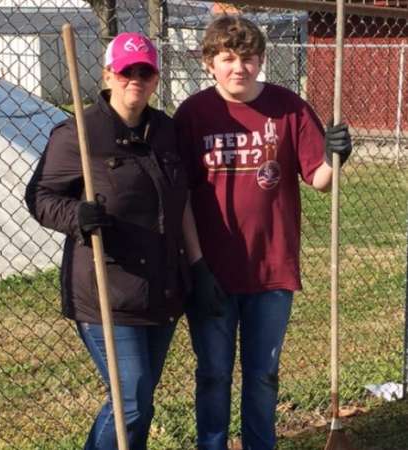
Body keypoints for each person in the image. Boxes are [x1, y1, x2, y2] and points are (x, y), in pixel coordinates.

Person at [175, 16, 352, 450]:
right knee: (214, 373)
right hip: (212, 271)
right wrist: (196, 264)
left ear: (261, 61)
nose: (239, 68)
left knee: (263, 375)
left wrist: (336, 156)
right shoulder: (193, 114)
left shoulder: (288, 107)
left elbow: (320, 179)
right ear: (210, 63)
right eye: (228, 58)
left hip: (271, 269)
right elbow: (178, 195)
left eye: (248, 58)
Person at [25, 32, 190, 450]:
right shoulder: (79, 133)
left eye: (145, 71)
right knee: (130, 402)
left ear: (155, 78)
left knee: (139, 404)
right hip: (107, 292)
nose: (135, 78)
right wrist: (76, 216)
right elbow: (40, 196)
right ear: (108, 75)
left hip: (161, 289)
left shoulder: (167, 132)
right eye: (126, 70)